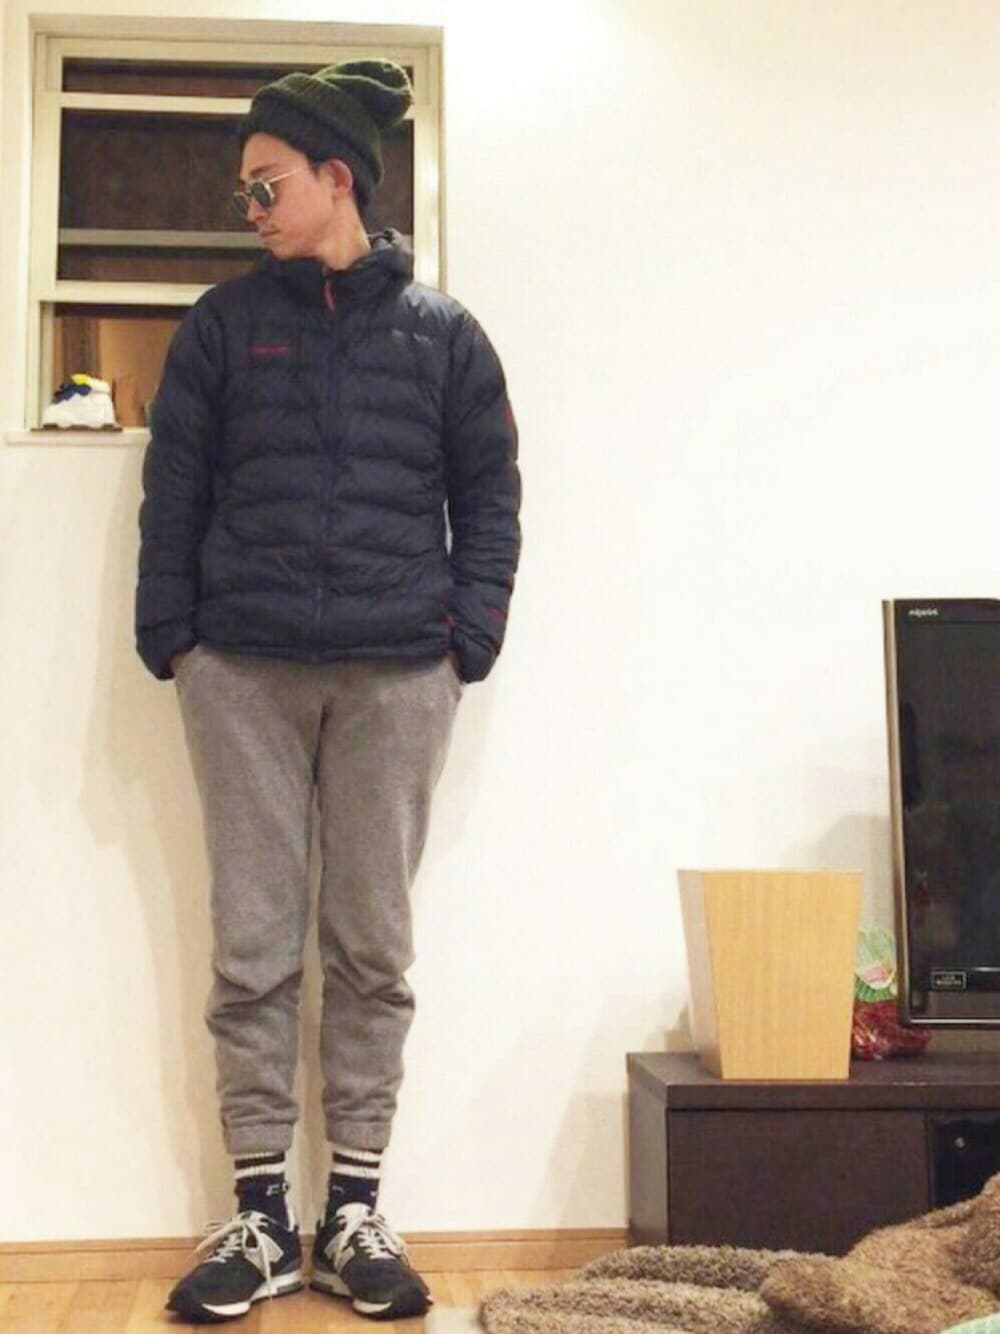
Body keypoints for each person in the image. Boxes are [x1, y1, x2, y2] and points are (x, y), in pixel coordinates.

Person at [135, 58, 520, 1324]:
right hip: (239, 671)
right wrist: (173, 638)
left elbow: (490, 494)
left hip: (399, 671)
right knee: (252, 948)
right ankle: (260, 1211)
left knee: (372, 947)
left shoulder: (445, 335)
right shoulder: (220, 325)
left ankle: (352, 1207)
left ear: (335, 176)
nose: (247, 206)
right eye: (245, 188)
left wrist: (468, 638)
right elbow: (174, 489)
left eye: (266, 183)